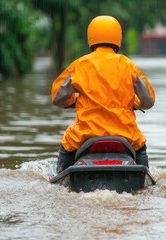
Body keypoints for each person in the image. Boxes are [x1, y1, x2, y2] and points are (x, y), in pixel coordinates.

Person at [50, 15, 155, 174]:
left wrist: (73, 101)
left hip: (84, 135)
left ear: (91, 37)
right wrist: (134, 103)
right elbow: (148, 101)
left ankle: (59, 179)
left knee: (66, 146)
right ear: (118, 37)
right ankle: (145, 178)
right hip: (126, 136)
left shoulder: (80, 65)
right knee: (140, 149)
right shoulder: (127, 65)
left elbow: (58, 98)